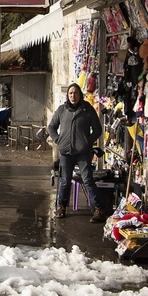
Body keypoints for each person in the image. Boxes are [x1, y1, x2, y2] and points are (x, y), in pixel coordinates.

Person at [47, 83, 105, 223]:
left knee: (87, 180)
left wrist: (87, 141)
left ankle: (99, 208)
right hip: (66, 152)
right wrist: (58, 140)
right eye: (71, 93)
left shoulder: (87, 109)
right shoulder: (62, 110)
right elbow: (51, 127)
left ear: (80, 95)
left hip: (83, 152)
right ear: (68, 95)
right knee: (65, 181)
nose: (73, 96)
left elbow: (97, 129)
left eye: (76, 93)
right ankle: (61, 207)